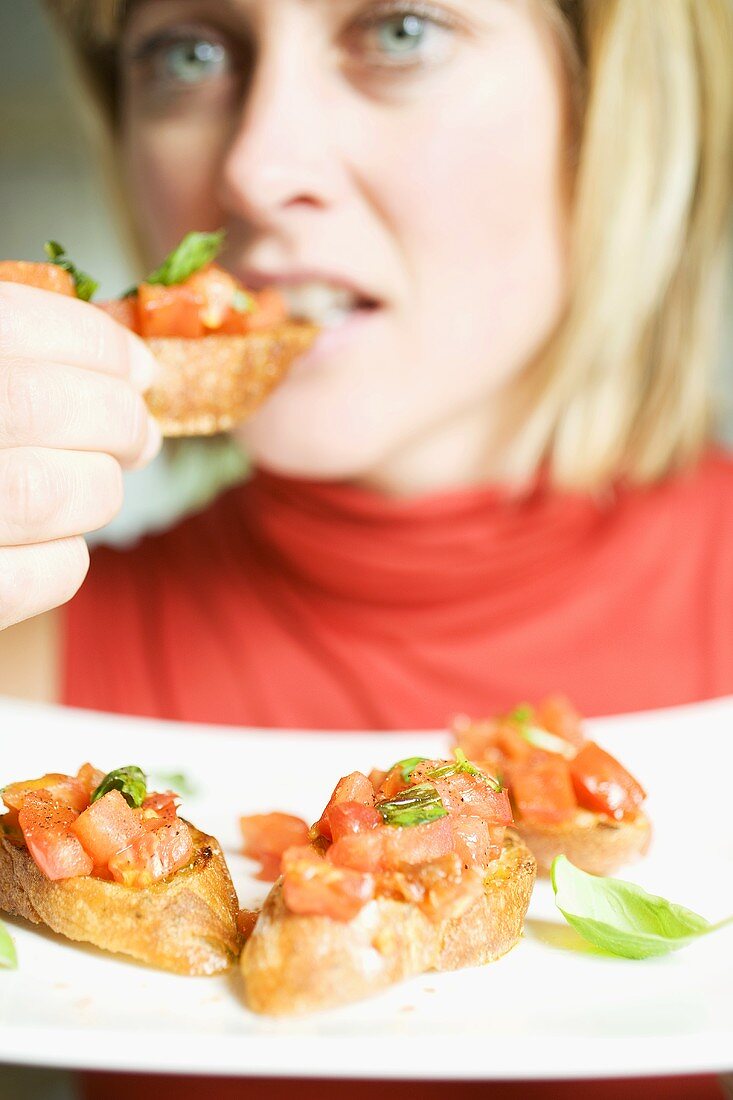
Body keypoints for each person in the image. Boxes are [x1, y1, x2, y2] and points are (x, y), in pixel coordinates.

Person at [0, 0, 732, 1097]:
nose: (255, 163)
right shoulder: (26, 645)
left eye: (399, 31)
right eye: (187, 52)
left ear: (613, 101)